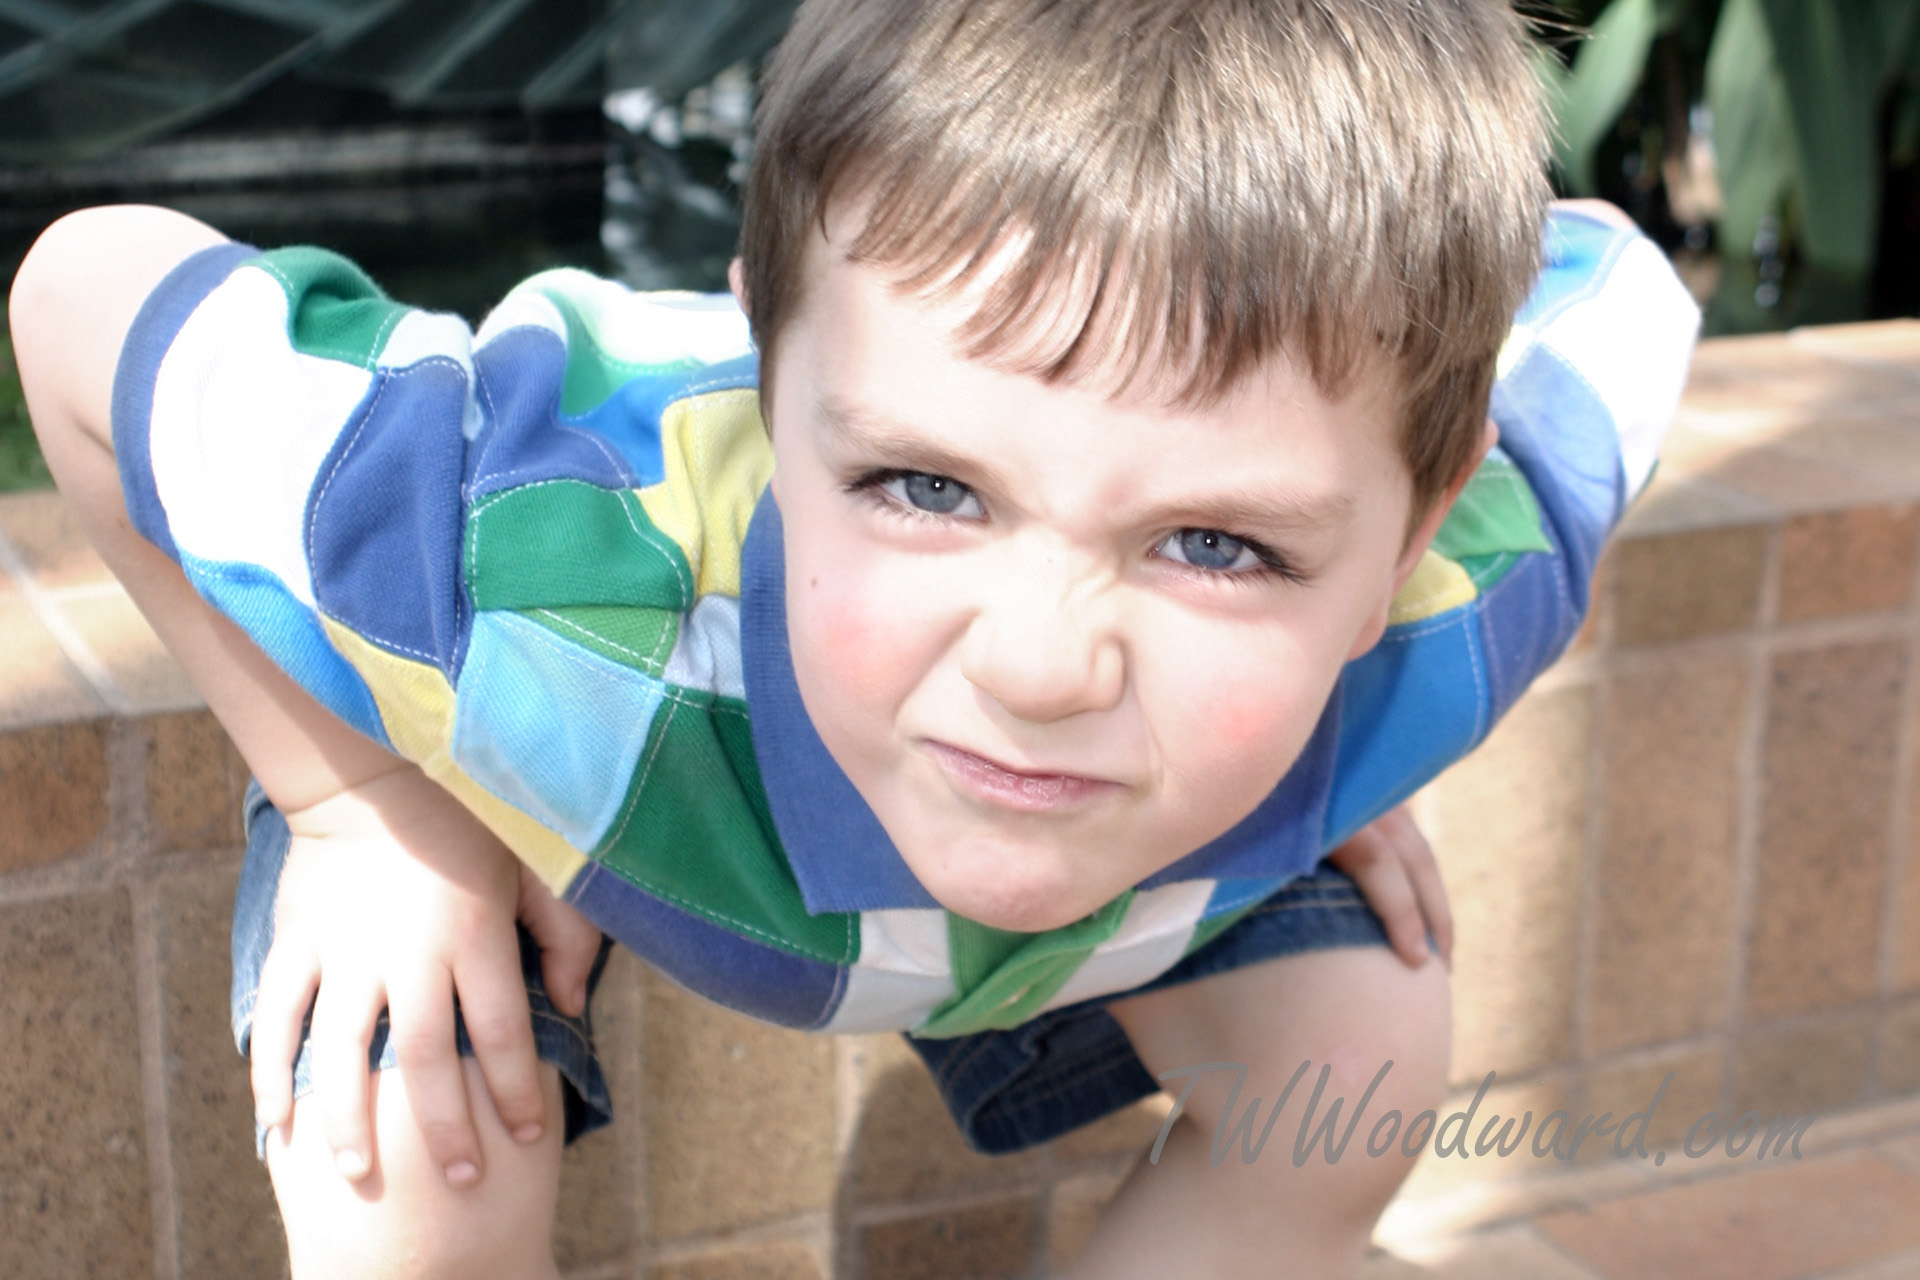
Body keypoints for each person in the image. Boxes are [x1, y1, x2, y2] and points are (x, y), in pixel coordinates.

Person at [10, 0, 1699, 1275]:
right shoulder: (490, 569)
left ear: (1415, 525)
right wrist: (352, 803)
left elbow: (1609, 286)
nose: (1044, 667)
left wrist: (1334, 733)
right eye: (927, 488)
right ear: (768, 371)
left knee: (1359, 1045)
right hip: (533, 725)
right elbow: (82, 290)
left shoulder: (1474, 574)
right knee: (405, 1108)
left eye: (1219, 544)